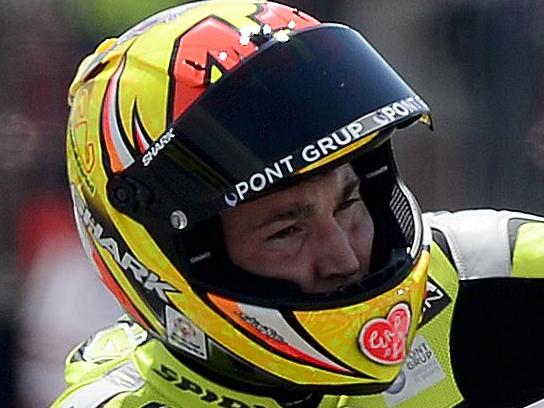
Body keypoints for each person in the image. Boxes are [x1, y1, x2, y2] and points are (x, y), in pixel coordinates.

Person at [52, 1, 544, 407]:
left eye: (350, 202)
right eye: (286, 230)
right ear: (169, 256)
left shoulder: (488, 277)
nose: (345, 258)